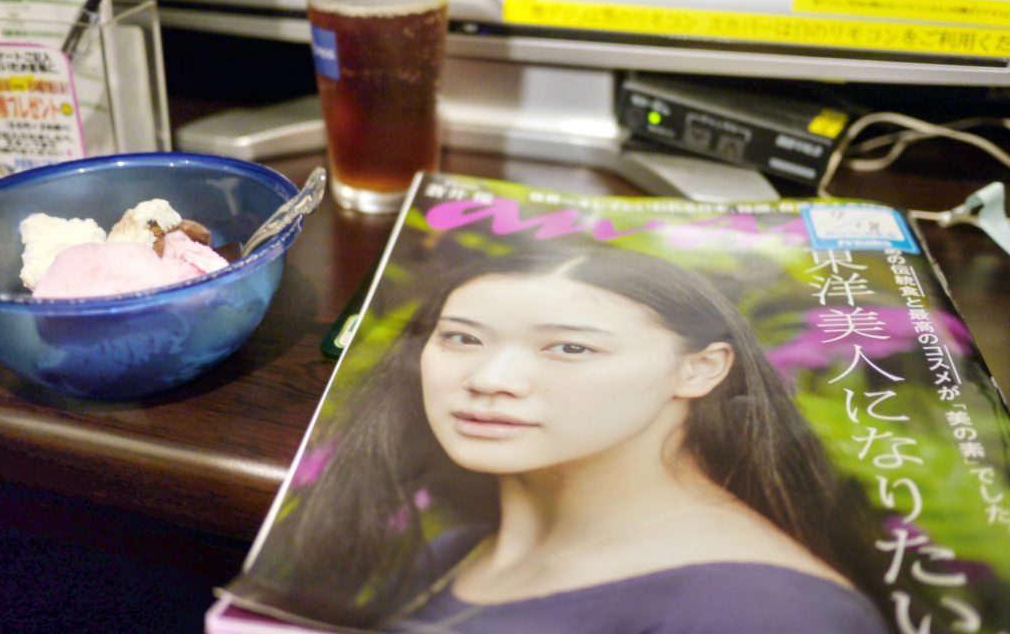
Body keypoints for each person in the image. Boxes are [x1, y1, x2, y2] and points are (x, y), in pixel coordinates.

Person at [239, 247, 893, 633]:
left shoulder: (767, 612)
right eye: (463, 338)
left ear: (701, 369)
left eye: (571, 347)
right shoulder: (450, 552)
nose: (490, 380)